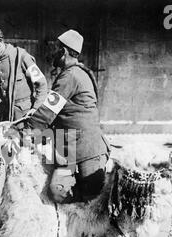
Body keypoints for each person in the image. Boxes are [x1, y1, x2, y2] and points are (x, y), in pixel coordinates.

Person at [26, 29, 110, 203]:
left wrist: (24, 130)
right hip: (71, 146)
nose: (54, 53)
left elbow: (48, 111)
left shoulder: (70, 76)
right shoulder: (75, 74)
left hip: (88, 149)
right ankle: (71, 225)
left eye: (57, 49)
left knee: (93, 199)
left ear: (63, 52)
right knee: (58, 191)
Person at [0, 23, 48, 126]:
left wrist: (36, 108)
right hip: (5, 117)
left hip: (25, 117)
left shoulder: (21, 56)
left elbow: (42, 84)